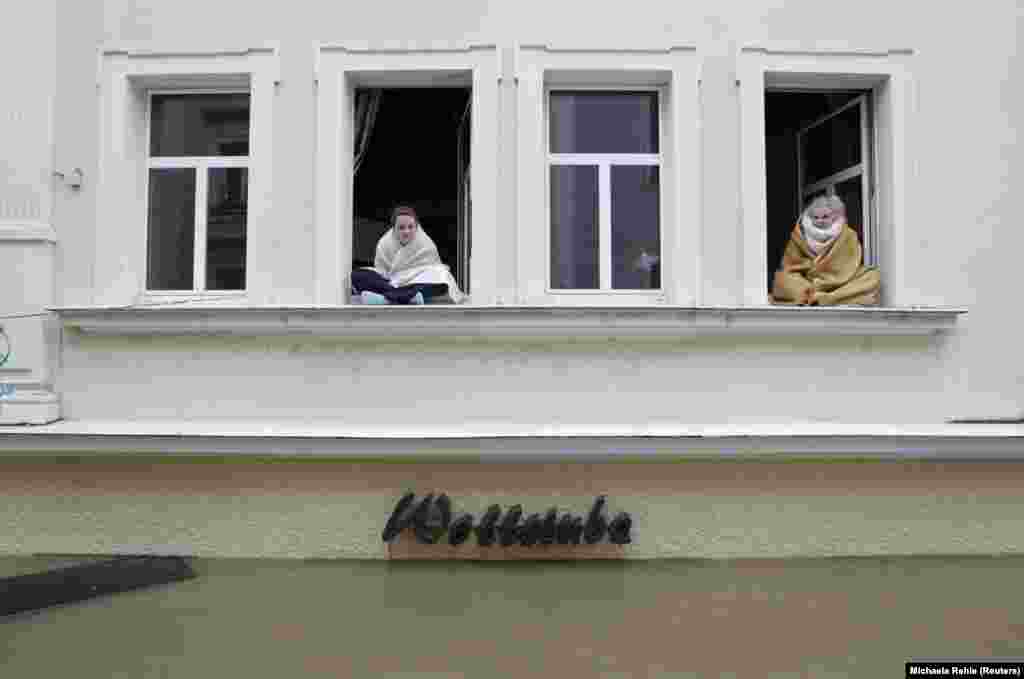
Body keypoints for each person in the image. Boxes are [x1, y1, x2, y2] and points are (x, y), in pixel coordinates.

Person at [771, 195, 880, 306]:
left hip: (839, 282)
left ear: (835, 217)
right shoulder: (799, 235)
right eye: (816, 217)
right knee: (782, 280)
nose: (820, 221)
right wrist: (809, 273)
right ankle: (813, 297)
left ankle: (825, 298)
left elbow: (849, 264)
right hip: (806, 280)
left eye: (825, 217)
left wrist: (824, 280)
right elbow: (790, 265)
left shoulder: (848, 235)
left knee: (872, 276)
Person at [351, 206, 466, 304]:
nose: (406, 231)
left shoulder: (425, 243)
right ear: (394, 229)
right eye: (401, 228)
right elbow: (382, 271)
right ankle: (408, 297)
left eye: (410, 227)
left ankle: (385, 299)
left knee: (442, 276)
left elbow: (432, 267)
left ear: (416, 227)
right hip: (392, 282)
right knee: (358, 275)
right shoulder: (384, 243)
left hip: (415, 282)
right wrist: (390, 281)